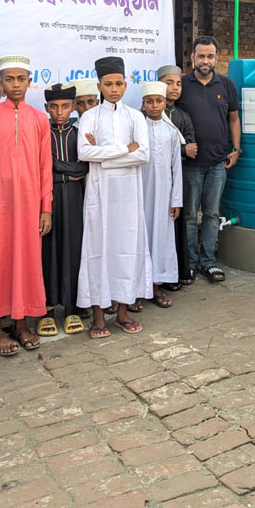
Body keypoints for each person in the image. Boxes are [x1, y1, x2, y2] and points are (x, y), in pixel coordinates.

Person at [0, 54, 53, 354]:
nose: (15, 84)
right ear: (2, 82)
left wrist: (46, 207)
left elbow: (45, 165)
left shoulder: (38, 118)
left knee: (25, 260)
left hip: (29, 204)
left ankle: (21, 323)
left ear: (30, 81)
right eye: (10, 79)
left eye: (21, 79)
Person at [76, 56, 152, 337]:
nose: (114, 89)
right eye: (108, 84)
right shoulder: (89, 116)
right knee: (98, 249)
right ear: (99, 85)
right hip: (99, 192)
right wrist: (124, 149)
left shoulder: (135, 116)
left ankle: (121, 313)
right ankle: (97, 316)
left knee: (127, 249)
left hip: (128, 195)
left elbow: (143, 154)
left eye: (119, 83)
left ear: (126, 83)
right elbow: (84, 153)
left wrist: (105, 157)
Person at [174, 36, 240, 283]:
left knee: (212, 213)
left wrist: (236, 149)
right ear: (192, 57)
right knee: (190, 215)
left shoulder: (226, 85)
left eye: (210, 56)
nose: (205, 60)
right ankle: (190, 263)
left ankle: (208, 262)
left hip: (217, 163)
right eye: (200, 55)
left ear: (216, 58)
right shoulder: (182, 85)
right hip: (190, 165)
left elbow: (233, 119)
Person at [40, 82, 88, 336]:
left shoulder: (80, 132)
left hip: (75, 198)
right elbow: (39, 166)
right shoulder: (40, 131)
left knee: (73, 250)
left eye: (65, 106)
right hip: (46, 199)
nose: (60, 112)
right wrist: (64, 171)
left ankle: (71, 309)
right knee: (46, 251)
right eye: (54, 107)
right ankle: (45, 310)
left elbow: (85, 167)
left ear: (73, 107)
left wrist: (55, 166)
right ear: (47, 107)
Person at [140, 81, 184, 308]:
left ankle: (156, 287)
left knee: (160, 239)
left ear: (165, 103)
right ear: (144, 104)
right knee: (140, 239)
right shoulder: (137, 129)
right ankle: (138, 290)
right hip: (140, 195)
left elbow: (176, 167)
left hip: (164, 196)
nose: (155, 106)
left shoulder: (171, 133)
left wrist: (176, 200)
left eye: (159, 101)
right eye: (150, 101)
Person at [160, 64, 198, 288]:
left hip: (178, 177)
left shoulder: (183, 116)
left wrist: (181, 151)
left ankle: (176, 272)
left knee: (176, 223)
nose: (174, 88)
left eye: (178, 83)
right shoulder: (148, 113)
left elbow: (192, 148)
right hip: (153, 179)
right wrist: (181, 149)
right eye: (169, 83)